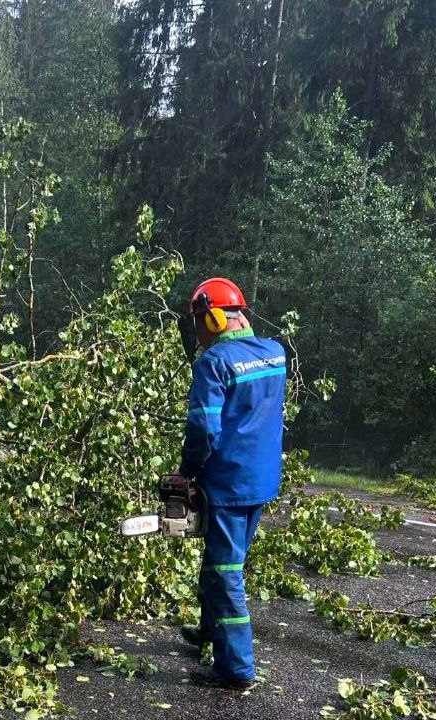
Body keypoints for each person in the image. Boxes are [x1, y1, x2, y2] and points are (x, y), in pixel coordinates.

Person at [176, 277, 286, 689]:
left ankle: (236, 669)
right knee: (219, 562)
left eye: (199, 323)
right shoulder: (275, 354)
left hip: (228, 483)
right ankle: (209, 632)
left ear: (213, 317)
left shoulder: (214, 362)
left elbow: (204, 427)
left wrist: (185, 474)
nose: (199, 334)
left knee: (226, 572)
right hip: (261, 481)